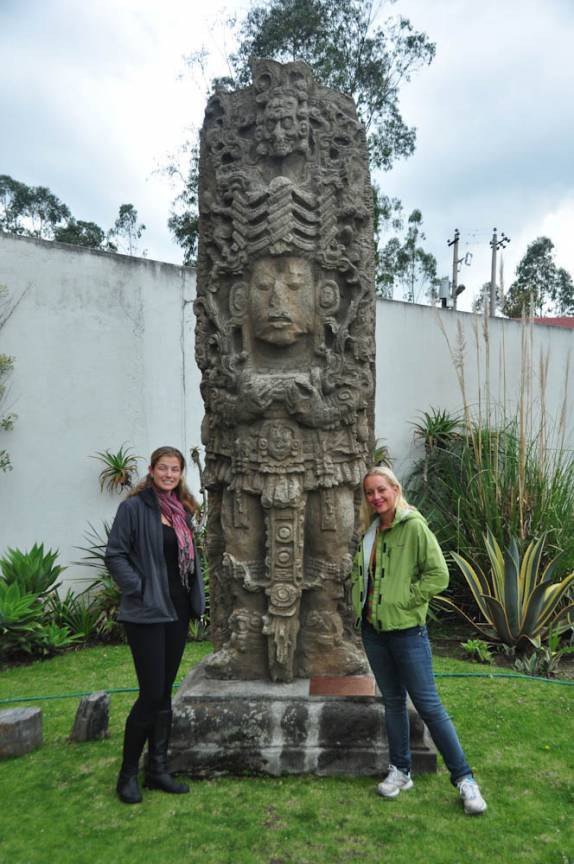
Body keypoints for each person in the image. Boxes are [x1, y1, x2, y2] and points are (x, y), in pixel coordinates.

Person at [351, 466, 487, 816]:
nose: (376, 497)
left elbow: (438, 574)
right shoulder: (371, 533)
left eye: (381, 489)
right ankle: (401, 770)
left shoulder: (413, 526)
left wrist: (405, 600)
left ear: (395, 489)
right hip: (374, 632)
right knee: (393, 702)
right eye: (370, 493)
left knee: (429, 706)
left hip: (408, 632)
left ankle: (465, 779)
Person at [105, 446, 205, 805]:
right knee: (150, 694)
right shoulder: (134, 509)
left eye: (175, 469)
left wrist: (196, 600)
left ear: (180, 474)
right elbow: (115, 553)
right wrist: (139, 588)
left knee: (163, 692)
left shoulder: (183, 512)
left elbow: (190, 561)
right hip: (147, 612)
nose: (169, 474)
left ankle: (158, 769)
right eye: (163, 468)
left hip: (177, 612)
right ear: (151, 470)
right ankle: (128, 772)